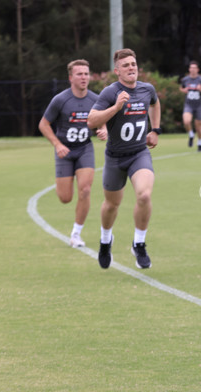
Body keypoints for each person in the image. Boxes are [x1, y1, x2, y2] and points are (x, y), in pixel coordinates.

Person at [87, 48, 162, 270]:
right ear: (117, 70)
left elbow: (155, 103)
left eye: (134, 64)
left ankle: (139, 243)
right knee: (111, 205)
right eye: (126, 65)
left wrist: (155, 129)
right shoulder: (110, 92)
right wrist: (116, 107)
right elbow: (91, 120)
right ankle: (105, 240)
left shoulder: (146, 89)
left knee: (144, 195)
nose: (132, 68)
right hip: (115, 158)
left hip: (139, 154)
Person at [38, 59, 108, 248]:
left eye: (86, 73)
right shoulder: (60, 100)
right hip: (65, 152)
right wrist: (57, 144)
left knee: (85, 189)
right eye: (79, 74)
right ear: (71, 78)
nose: (84, 77)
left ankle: (76, 234)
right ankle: (64, 180)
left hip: (85, 148)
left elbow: (104, 120)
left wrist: (104, 129)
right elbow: (43, 124)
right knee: (65, 198)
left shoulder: (96, 100)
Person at [179, 60, 201, 151]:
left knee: (198, 127)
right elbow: (181, 88)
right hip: (188, 104)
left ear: (198, 69)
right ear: (189, 69)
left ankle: (200, 143)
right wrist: (183, 90)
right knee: (186, 121)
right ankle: (191, 134)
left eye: (194, 68)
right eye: (191, 68)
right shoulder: (185, 79)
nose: (192, 70)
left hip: (198, 106)